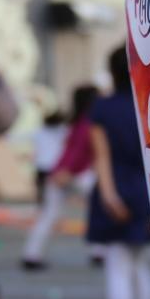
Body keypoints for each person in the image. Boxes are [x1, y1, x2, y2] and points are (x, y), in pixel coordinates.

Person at [88, 46, 150, 299]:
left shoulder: (102, 108)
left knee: (117, 267)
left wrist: (109, 195)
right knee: (138, 264)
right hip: (146, 190)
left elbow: (101, 158)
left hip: (118, 187)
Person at [21, 85, 98, 270]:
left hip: (64, 171)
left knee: (49, 214)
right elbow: (77, 152)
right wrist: (67, 170)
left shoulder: (77, 123)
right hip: (73, 173)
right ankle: (99, 251)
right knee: (97, 208)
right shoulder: (87, 123)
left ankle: (31, 254)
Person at [32, 109, 67, 202]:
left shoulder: (40, 131)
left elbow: (21, 136)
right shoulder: (63, 131)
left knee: (42, 190)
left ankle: (42, 204)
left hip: (42, 164)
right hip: (55, 164)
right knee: (54, 192)